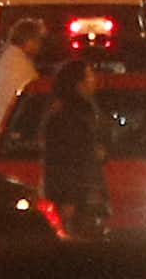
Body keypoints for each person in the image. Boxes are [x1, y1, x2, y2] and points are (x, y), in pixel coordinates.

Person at [39, 59, 109, 239]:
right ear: (79, 84)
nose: (94, 79)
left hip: (85, 196)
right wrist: (68, 199)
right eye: (89, 76)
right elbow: (65, 159)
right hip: (77, 199)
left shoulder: (84, 111)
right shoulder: (67, 117)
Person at [0, 16, 46, 148]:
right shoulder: (17, 64)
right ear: (28, 41)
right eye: (38, 41)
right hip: (6, 130)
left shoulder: (9, 58)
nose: (40, 46)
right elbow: (26, 102)